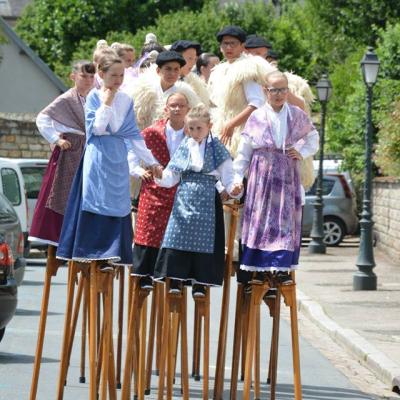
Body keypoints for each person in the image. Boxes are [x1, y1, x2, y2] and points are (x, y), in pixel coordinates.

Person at [56, 54, 162, 266]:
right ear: (101, 74)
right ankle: (92, 250)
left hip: (117, 155)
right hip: (98, 155)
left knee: (117, 200)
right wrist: (106, 103)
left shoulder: (126, 100)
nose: (118, 79)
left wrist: (152, 162)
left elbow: (133, 135)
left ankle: (113, 250)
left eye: (121, 75)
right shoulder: (94, 98)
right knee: (97, 198)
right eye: (113, 75)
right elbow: (96, 128)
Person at [232, 71, 319, 282]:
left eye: (283, 89)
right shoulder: (257, 116)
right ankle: (259, 268)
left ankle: (281, 268)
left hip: (286, 176)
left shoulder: (296, 115)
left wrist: (302, 152)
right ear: (265, 91)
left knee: (285, 219)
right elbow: (244, 152)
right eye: (274, 90)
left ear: (288, 90)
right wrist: (236, 179)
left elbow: (313, 137)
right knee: (260, 219)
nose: (279, 94)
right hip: (261, 177)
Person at [153, 105, 240, 297]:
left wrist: (233, 188)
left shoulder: (217, 147)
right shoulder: (185, 145)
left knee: (205, 240)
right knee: (177, 236)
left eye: (198, 128)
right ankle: (175, 277)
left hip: (208, 199)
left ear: (209, 126)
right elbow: (172, 175)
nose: (194, 133)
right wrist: (159, 175)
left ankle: (201, 281)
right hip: (184, 197)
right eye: (190, 128)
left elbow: (228, 176)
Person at [29, 60, 96, 247]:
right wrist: (56, 139)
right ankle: (58, 236)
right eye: (84, 76)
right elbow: (42, 118)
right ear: (73, 76)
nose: (89, 80)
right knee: (61, 193)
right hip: (69, 151)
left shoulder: (92, 99)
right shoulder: (67, 98)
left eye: (92, 76)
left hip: (86, 150)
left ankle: (78, 235)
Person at [129, 92, 191, 289]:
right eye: (173, 105)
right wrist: (138, 170)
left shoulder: (194, 133)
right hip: (154, 187)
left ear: (187, 109)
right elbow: (133, 150)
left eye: (181, 105)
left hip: (183, 190)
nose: (177, 109)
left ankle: (175, 275)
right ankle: (145, 274)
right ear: (166, 108)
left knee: (179, 233)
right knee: (149, 228)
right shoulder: (151, 131)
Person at [208, 25, 276, 157]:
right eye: (225, 44)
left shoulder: (247, 67)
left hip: (243, 132)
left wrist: (231, 125)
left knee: (240, 173)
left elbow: (256, 103)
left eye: (233, 43)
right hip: (221, 130)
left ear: (242, 46)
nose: (228, 47)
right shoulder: (219, 70)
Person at [131, 50, 200, 130]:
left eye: (176, 69)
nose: (172, 73)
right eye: (168, 69)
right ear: (158, 71)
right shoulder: (143, 91)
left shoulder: (186, 94)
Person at [170, 40, 210, 106]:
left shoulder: (195, 83)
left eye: (195, 59)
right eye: (190, 58)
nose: (193, 63)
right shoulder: (164, 81)